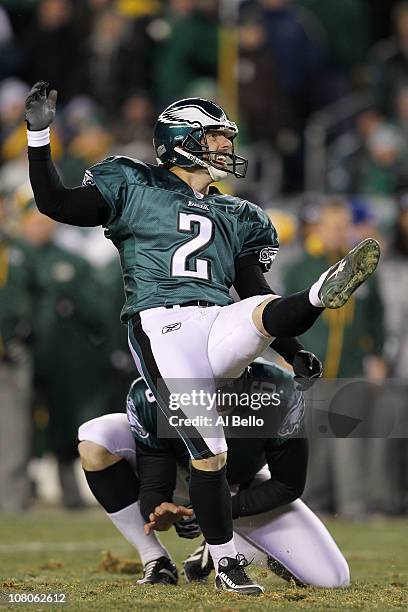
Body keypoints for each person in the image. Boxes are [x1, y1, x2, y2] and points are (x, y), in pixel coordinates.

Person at [25, 80, 379, 594]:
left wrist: (295, 351)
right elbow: (55, 202)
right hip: (162, 323)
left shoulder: (237, 214)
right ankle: (221, 560)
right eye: (216, 137)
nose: (226, 147)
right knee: (205, 448)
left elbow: (256, 290)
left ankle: (320, 294)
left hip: (216, 323)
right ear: (182, 139)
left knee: (258, 309)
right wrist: (39, 137)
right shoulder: (132, 182)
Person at [78, 359, 350, 588]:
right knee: (95, 440)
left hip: (239, 486)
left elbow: (288, 484)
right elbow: (154, 478)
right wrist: (157, 510)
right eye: (210, 386)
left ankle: (224, 549)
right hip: (179, 475)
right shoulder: (157, 389)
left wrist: (215, 511)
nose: (220, 396)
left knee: (332, 578)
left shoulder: (278, 390)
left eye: (228, 384)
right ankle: (155, 559)